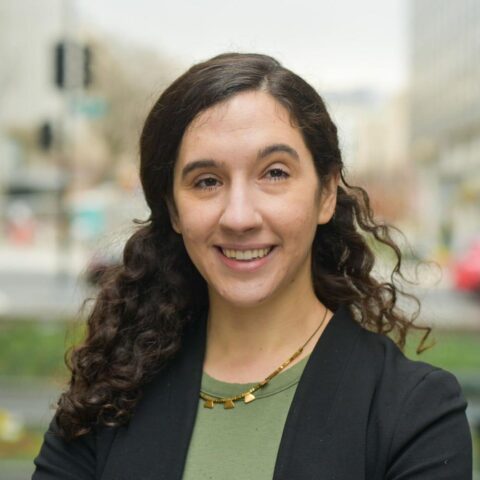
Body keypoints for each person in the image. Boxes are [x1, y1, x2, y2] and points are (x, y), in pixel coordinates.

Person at [32, 52, 472, 479]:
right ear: (175, 211)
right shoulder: (110, 393)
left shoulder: (414, 412)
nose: (239, 216)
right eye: (207, 181)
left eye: (274, 173)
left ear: (326, 194)